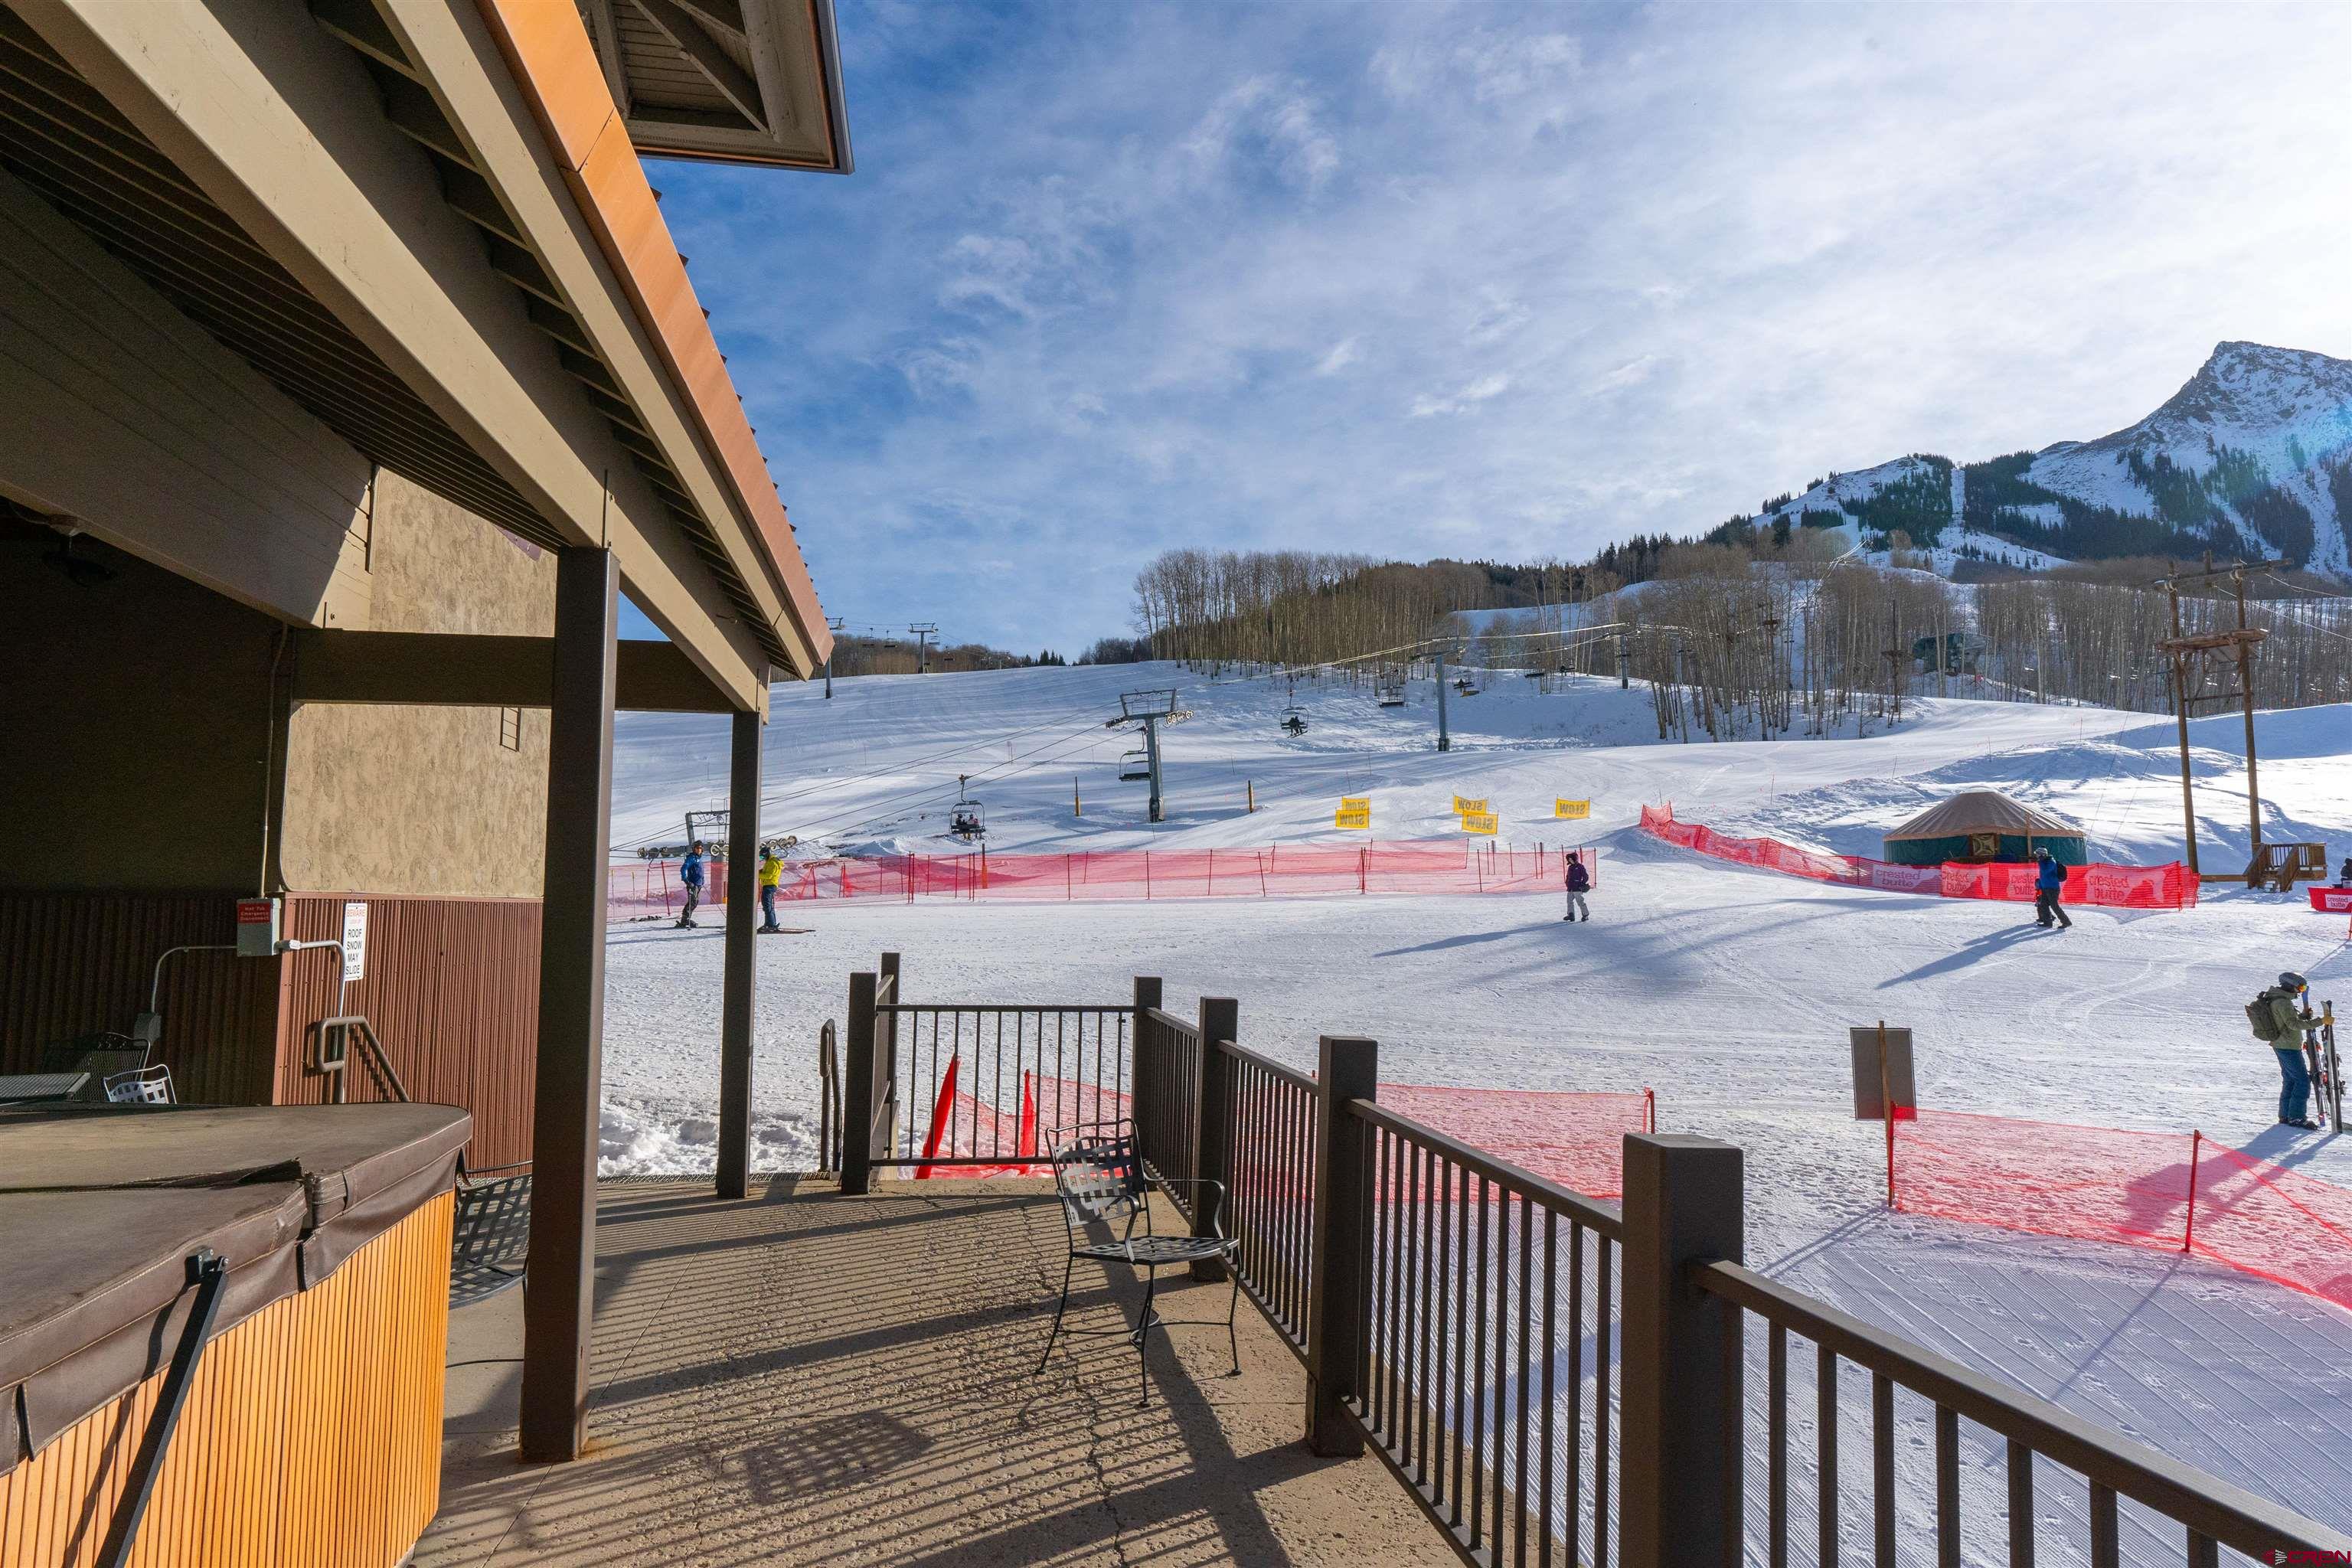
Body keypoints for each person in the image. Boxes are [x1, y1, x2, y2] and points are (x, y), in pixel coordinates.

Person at [2251, 970, 2320, 1129]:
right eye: (2300, 988)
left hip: (2282, 1044)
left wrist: (2302, 1016)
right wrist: (2320, 1021)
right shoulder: (2283, 1002)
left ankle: (2286, 1115)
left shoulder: (2278, 999)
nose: (2300, 991)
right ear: (2291, 986)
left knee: (2291, 1080)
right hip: (2288, 1046)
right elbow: (2293, 1025)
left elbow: (2287, 1022)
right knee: (2302, 1081)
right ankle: (2296, 1117)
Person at [2032, 848, 2071, 929]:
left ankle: (2066, 921)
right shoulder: (2044, 862)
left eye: (2037, 854)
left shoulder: (2051, 862)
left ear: (2042, 855)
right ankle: (2047, 923)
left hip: (2052, 888)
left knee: (2054, 906)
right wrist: (2041, 886)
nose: (2036, 856)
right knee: (2043, 905)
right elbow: (2044, 876)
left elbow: (2046, 871)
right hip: (2045, 887)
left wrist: (2041, 861)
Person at [676, 840, 707, 929]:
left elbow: (700, 871)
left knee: (695, 902)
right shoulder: (691, 858)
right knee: (692, 901)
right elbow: (683, 869)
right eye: (697, 848)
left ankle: (686, 919)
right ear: (694, 849)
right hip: (692, 884)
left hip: (699, 884)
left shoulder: (699, 859)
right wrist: (686, 880)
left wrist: (702, 880)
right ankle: (685, 919)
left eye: (700, 848)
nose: (699, 850)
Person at [757, 844, 785, 933]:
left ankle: (770, 924)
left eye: (762, 856)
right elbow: (766, 872)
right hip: (768, 885)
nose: (762, 858)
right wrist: (759, 871)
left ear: (766, 854)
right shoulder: (769, 862)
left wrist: (756, 874)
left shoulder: (773, 863)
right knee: (768, 905)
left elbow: (769, 876)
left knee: (767, 905)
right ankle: (771, 923)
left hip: (770, 885)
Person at [1562, 852, 1591, 923]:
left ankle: (1585, 915)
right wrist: (1567, 883)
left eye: (1571, 859)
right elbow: (1568, 877)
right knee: (1569, 902)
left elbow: (1586, 877)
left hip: (1577, 888)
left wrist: (1581, 884)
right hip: (1570, 888)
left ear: (1575, 859)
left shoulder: (1580, 867)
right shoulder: (1570, 867)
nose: (1570, 861)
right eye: (1569, 860)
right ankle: (1571, 915)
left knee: (1580, 902)